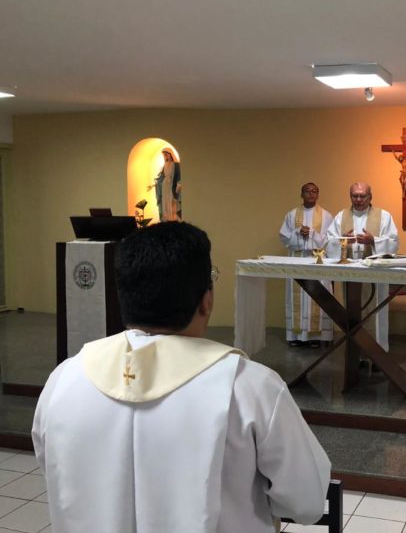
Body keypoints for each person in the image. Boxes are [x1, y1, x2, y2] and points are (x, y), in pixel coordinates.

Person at [33, 222, 331, 533]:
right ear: (206, 301)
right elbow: (306, 501)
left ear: (124, 297)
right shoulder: (251, 387)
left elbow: (51, 467)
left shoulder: (64, 380)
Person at [327, 182, 399, 350]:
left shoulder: (384, 216)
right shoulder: (341, 216)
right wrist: (343, 240)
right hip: (350, 274)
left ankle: (376, 352)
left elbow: (394, 242)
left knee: (375, 313)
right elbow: (329, 242)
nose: (358, 200)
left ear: (370, 197)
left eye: (362, 196)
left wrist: (373, 241)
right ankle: (355, 352)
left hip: (375, 274)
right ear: (350, 196)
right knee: (352, 312)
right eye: (355, 196)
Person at [279, 182, 334, 348]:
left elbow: (330, 241)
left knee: (316, 297)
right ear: (301, 194)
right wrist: (297, 232)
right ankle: (295, 335)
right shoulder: (291, 215)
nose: (311, 193)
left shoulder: (326, 216)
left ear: (318, 195)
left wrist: (311, 233)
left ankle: (315, 336)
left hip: (317, 262)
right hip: (297, 260)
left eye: (314, 191)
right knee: (296, 298)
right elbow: (284, 237)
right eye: (307, 191)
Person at [148, 147, 182, 222]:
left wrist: (178, 185)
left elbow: (179, 176)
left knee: (172, 202)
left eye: (166, 154)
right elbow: (161, 177)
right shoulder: (165, 165)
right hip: (164, 186)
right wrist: (153, 184)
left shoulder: (176, 164)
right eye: (164, 155)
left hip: (172, 186)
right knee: (165, 202)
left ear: (170, 154)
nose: (165, 156)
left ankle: (173, 219)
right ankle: (167, 219)